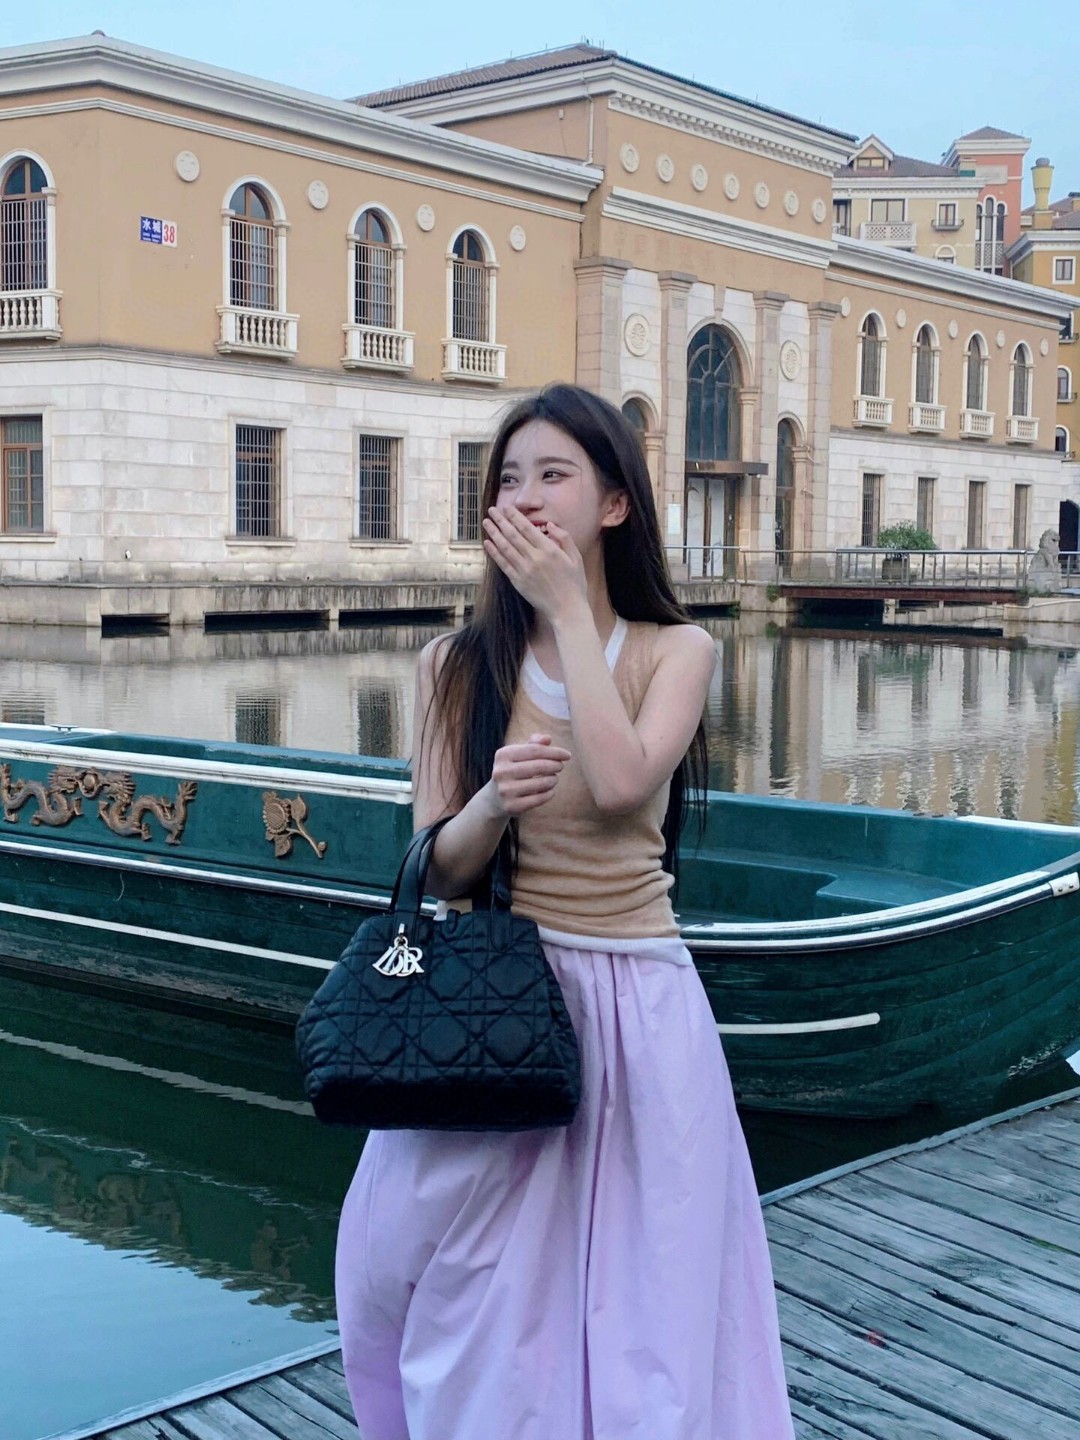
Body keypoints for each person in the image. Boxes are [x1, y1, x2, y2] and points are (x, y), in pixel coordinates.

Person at [335, 383, 794, 1440]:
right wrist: (492, 803)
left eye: (555, 475)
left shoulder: (676, 651)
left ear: (614, 504)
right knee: (433, 1285)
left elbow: (626, 781)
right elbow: (438, 867)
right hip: (493, 1007)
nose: (527, 497)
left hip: (637, 1006)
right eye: (509, 479)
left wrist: (571, 614)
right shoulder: (453, 665)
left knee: (647, 1302)